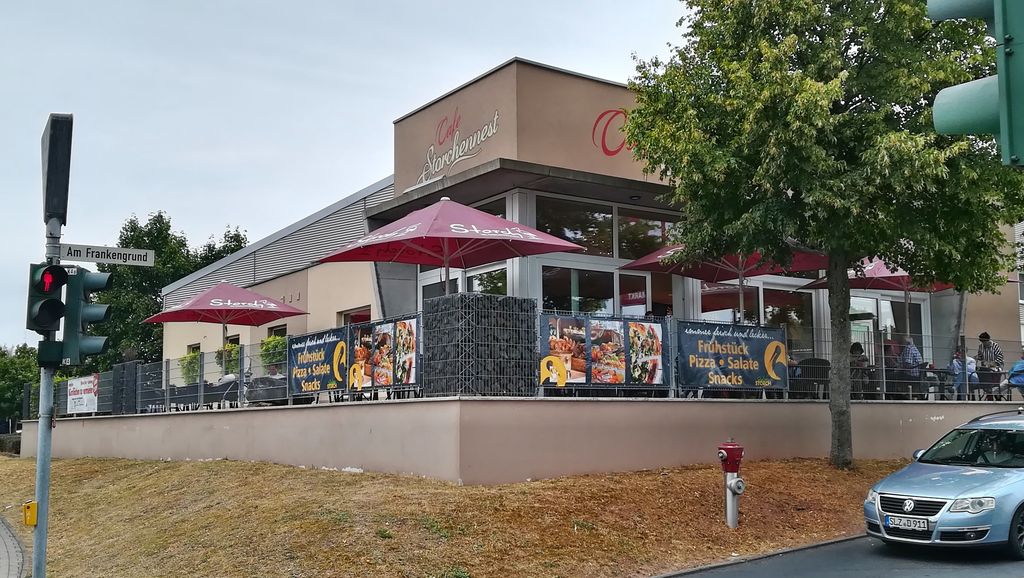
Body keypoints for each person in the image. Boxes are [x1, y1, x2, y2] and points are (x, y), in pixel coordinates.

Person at [977, 332, 1005, 399]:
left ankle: (996, 397)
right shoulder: (981, 346)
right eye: (982, 342)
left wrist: (990, 364)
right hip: (986, 369)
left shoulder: (995, 345)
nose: (983, 343)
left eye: (984, 342)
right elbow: (980, 356)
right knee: (986, 384)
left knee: (994, 385)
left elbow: (1000, 357)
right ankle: (990, 397)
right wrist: (976, 358)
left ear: (988, 340)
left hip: (996, 368)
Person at [898, 335, 923, 399]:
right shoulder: (914, 348)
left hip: (910, 376)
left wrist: (899, 366)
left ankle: (894, 396)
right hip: (917, 375)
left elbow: (907, 364)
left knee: (890, 376)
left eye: (901, 342)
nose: (899, 344)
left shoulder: (908, 348)